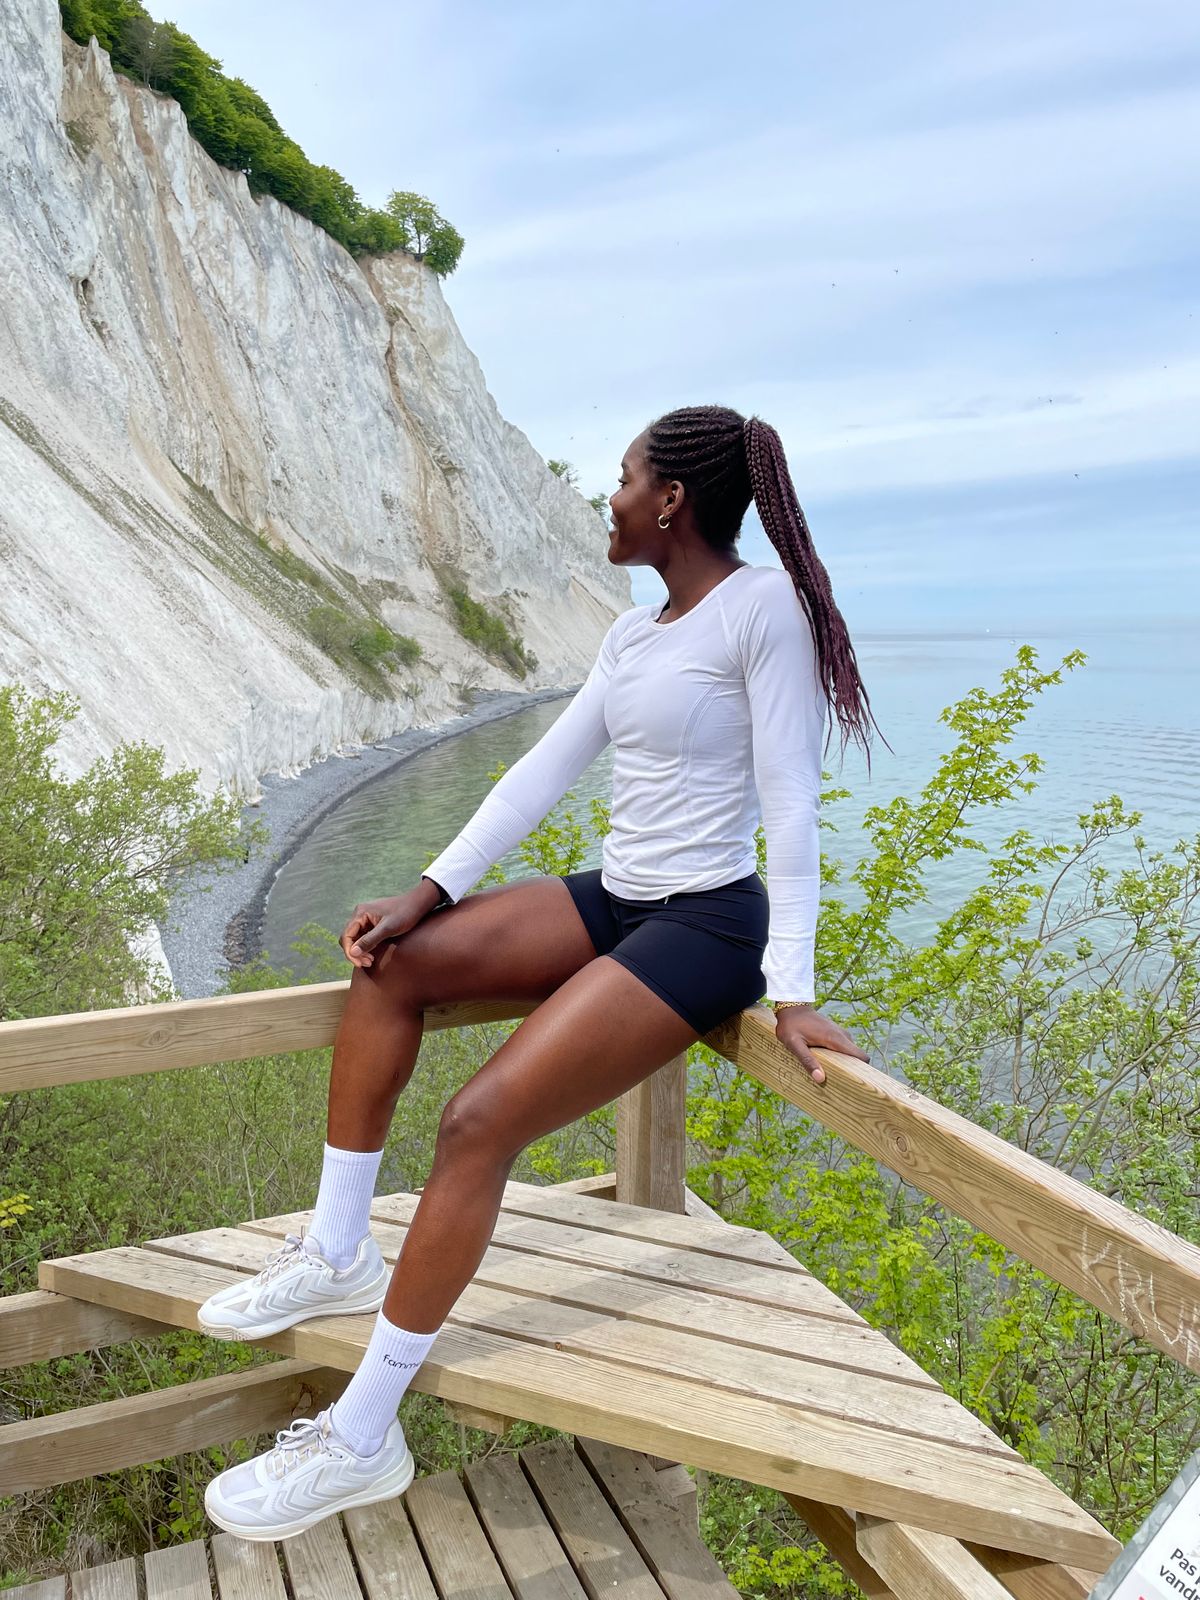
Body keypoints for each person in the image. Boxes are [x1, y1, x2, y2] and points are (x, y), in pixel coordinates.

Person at [200, 404, 884, 1541]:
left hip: (706, 928)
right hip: (616, 899)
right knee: (392, 963)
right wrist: (429, 887)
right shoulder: (634, 633)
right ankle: (334, 1249)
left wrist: (793, 989)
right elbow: (539, 771)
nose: (604, 498)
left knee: (477, 1123)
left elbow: (792, 807)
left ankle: (364, 1433)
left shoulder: (760, 610)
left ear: (671, 501)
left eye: (621, 479)